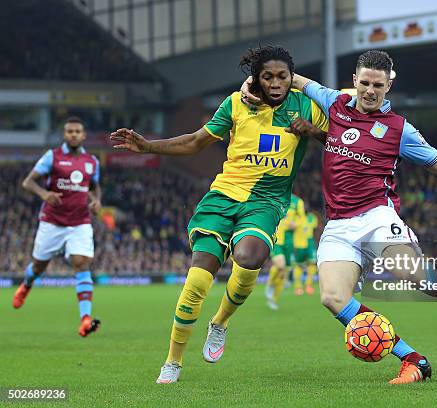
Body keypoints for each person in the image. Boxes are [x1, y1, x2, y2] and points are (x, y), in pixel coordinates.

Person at [241, 50, 437, 384]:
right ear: (354, 81)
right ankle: (414, 360)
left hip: (377, 217)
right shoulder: (333, 103)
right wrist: (251, 81)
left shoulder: (399, 130)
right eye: (364, 83)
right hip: (339, 225)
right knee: (332, 298)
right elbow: (293, 79)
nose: (370, 90)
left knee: (420, 281)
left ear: (389, 85)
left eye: (378, 84)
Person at [110, 45, 328, 384]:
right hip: (223, 196)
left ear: (292, 78)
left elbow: (344, 140)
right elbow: (197, 141)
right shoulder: (237, 103)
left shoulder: (307, 107)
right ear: (256, 77)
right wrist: (149, 145)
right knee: (198, 279)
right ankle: (173, 361)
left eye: (282, 77)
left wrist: (313, 132)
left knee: (250, 256)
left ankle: (220, 322)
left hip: (266, 202)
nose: (274, 83)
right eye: (267, 76)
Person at [13, 116, 102, 338]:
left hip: (80, 222)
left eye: (77, 131)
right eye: (69, 131)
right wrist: (45, 194)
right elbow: (28, 182)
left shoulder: (92, 161)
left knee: (81, 264)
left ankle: (85, 319)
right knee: (39, 266)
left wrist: (96, 200)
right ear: (65, 134)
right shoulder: (52, 157)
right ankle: (26, 284)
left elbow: (94, 186)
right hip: (52, 222)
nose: (73, 134)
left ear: (83, 135)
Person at [265, 193, 303, 309]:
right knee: (280, 265)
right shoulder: (275, 196)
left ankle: (274, 299)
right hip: (277, 239)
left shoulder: (298, 202)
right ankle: (270, 284)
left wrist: (295, 224)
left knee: (283, 272)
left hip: (289, 241)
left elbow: (302, 220)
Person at [292, 209, 318, 295]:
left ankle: (308, 285)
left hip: (310, 242)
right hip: (299, 244)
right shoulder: (295, 218)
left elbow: (314, 227)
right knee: (299, 265)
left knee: (312, 263)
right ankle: (298, 287)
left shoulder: (312, 217)